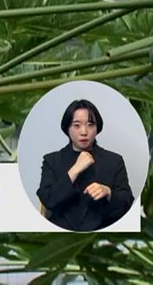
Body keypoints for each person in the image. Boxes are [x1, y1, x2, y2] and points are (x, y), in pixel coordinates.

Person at [36, 99, 134, 231]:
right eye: (77, 125)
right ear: (67, 128)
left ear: (97, 128)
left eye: (90, 125)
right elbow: (47, 199)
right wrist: (75, 170)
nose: (84, 131)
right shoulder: (52, 160)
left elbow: (127, 202)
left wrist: (108, 192)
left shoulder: (114, 160)